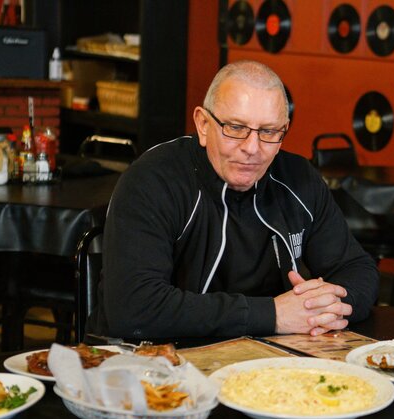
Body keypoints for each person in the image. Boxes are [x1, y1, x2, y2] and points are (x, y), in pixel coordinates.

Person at [87, 60, 379, 339]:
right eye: (236, 128)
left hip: (262, 366)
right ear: (203, 125)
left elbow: (358, 270)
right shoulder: (153, 180)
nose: (252, 148)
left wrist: (322, 309)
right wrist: (274, 315)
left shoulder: (299, 179)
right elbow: (133, 307)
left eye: (268, 132)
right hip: (153, 367)